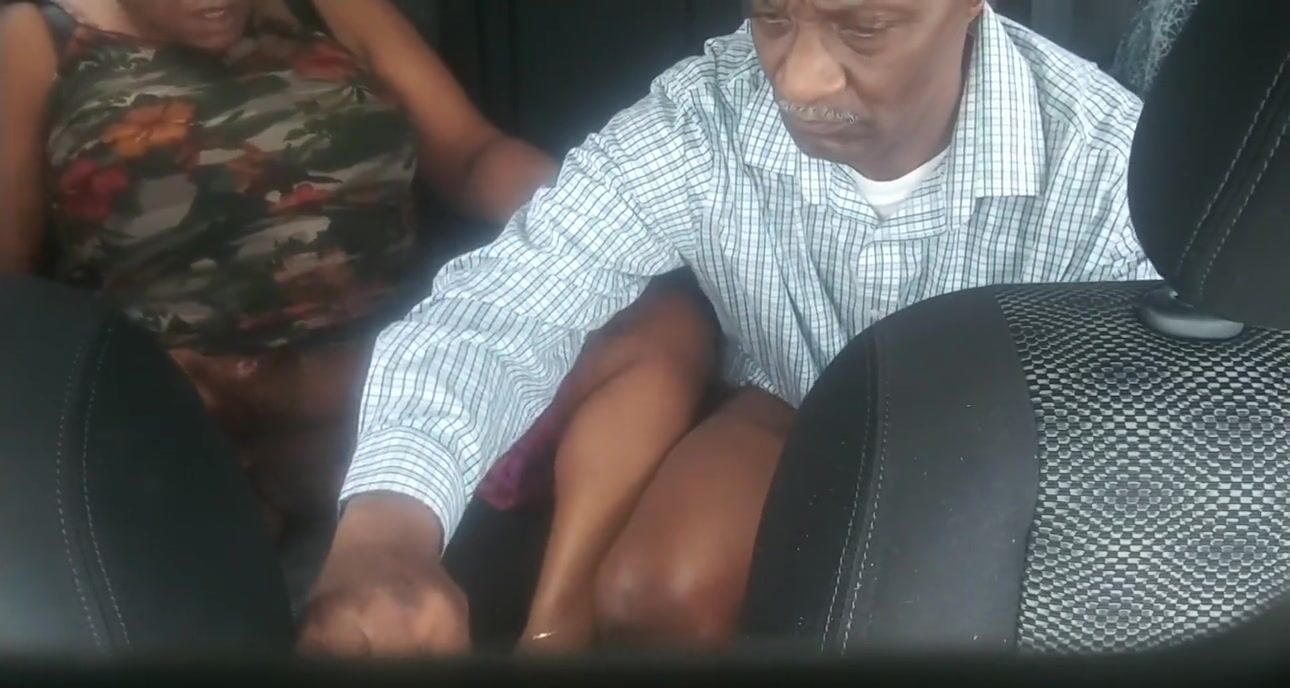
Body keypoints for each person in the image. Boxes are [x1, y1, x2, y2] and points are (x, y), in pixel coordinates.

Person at [298, 0, 1159, 655]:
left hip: (1002, 460)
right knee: (654, 595)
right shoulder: (704, 118)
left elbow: (1136, 471)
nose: (799, 80)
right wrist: (386, 531)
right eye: (772, 16)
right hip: (792, 393)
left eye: (862, 27)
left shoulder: (1108, 174)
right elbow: (512, 298)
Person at [0, 0, 718, 588]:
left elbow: (473, 156)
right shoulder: (39, 38)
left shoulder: (334, 8)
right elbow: (11, 271)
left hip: (391, 371)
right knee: (180, 418)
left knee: (660, 322)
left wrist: (612, 219)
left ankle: (554, 638)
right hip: (186, 397)